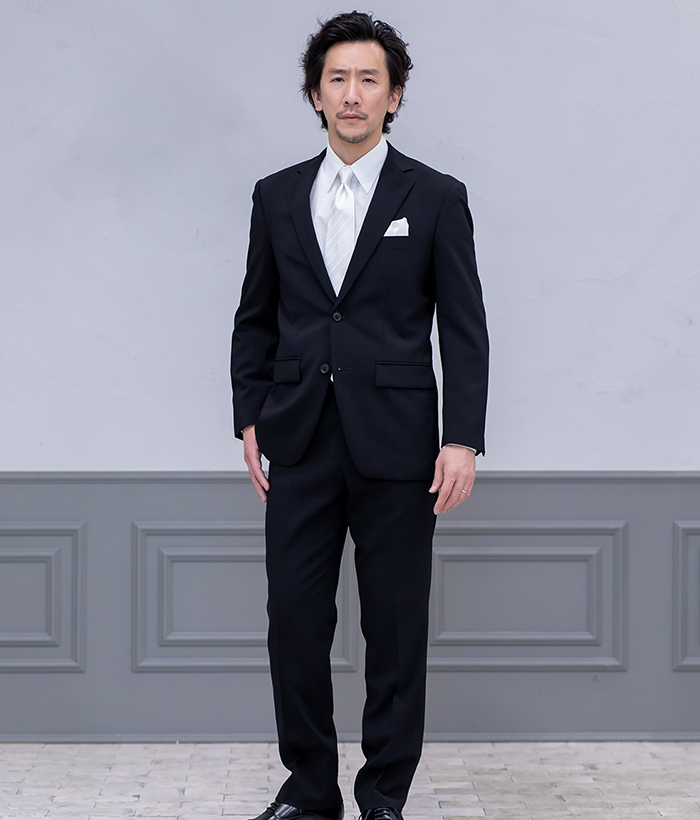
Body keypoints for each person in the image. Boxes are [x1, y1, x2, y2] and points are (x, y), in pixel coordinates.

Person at [230, 11, 488, 820]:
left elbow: (465, 327)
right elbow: (255, 317)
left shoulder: (436, 197)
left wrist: (462, 438)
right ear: (315, 94)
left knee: (396, 628)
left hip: (401, 446)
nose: (352, 94)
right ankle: (309, 793)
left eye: (368, 79)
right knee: (293, 622)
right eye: (336, 79)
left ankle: (383, 798)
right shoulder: (276, 196)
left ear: (394, 96)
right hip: (299, 437)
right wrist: (249, 415)